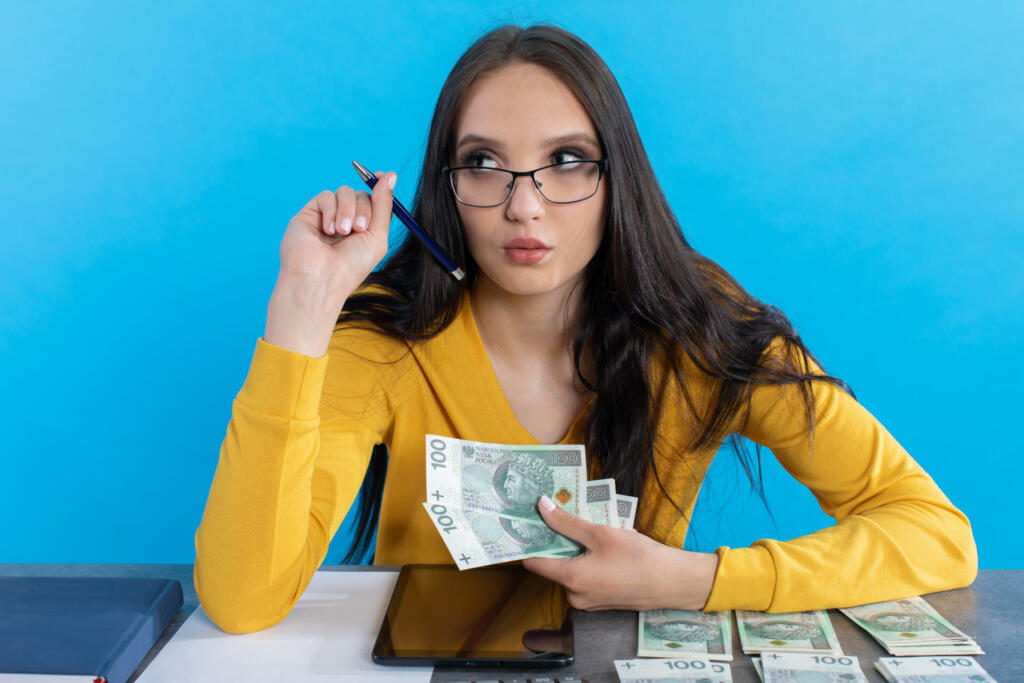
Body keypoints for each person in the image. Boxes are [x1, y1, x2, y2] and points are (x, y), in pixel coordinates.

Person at [193, 23, 977, 635]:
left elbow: (937, 534)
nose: (523, 205)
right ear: (445, 184)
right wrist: (303, 308)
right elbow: (241, 598)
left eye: (566, 160)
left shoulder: (703, 328)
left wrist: (689, 580)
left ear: (617, 178)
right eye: (483, 163)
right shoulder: (386, 342)